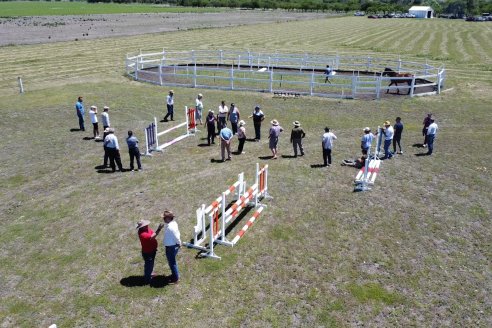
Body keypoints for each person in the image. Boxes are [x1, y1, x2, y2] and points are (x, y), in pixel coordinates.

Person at [136, 219, 164, 285]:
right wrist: (159, 229)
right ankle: (147, 280)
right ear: (141, 227)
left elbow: (152, 233)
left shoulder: (146, 228)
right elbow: (153, 236)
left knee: (150, 265)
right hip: (148, 253)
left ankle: (150, 273)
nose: (147, 225)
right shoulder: (143, 234)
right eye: (145, 225)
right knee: (148, 266)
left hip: (152, 250)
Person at [162, 210, 181, 284]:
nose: (163, 219)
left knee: (172, 262)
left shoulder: (170, 227)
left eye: (164, 217)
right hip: (171, 246)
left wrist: (179, 243)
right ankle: (174, 274)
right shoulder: (173, 224)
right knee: (171, 262)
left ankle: (175, 278)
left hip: (171, 247)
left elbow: (176, 236)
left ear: (168, 218)